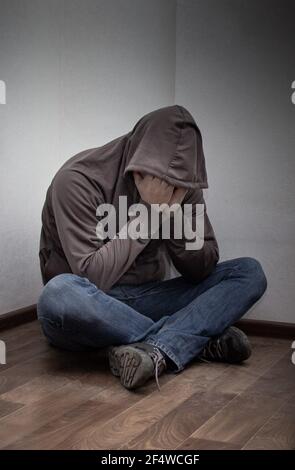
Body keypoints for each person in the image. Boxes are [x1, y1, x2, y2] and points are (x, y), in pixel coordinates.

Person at [37, 105, 267, 390]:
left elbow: (201, 269)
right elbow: (92, 277)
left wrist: (173, 212)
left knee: (248, 272)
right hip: (89, 305)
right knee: (57, 293)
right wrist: (150, 211)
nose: (170, 187)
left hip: (149, 298)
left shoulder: (184, 185)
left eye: (177, 183)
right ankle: (185, 342)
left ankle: (160, 345)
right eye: (163, 179)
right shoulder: (77, 180)